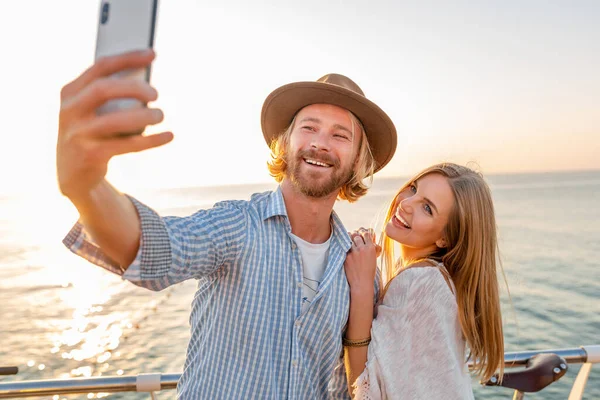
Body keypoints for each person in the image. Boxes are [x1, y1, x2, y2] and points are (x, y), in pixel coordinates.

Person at [56, 49, 397, 399]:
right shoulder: (236, 225)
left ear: (358, 160)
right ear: (285, 143)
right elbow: (154, 249)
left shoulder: (358, 264)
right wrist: (85, 187)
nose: (320, 143)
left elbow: (360, 374)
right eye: (309, 127)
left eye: (340, 136)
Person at [342, 163, 505, 399]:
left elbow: (364, 391)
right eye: (413, 188)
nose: (406, 203)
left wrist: (362, 286)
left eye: (427, 208)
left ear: (444, 238)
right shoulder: (441, 280)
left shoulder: (421, 282)